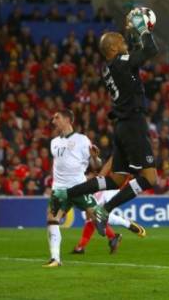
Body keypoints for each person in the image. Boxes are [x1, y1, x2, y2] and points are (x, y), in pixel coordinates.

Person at [53, 10, 159, 235]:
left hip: (121, 126)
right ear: (112, 49)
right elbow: (150, 50)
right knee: (149, 178)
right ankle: (106, 209)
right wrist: (143, 29)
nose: (124, 42)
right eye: (120, 41)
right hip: (133, 124)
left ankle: (69, 193)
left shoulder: (110, 68)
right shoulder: (121, 64)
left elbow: (134, 55)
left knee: (115, 179)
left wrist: (131, 33)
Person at [43, 110, 111, 268]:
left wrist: (94, 157)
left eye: (57, 117)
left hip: (79, 187)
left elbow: (96, 166)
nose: (53, 120)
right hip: (59, 189)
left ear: (67, 120)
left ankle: (118, 226)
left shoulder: (82, 140)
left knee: (97, 216)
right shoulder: (54, 142)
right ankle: (55, 258)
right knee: (52, 219)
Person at [73, 158, 147, 254]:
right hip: (104, 185)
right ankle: (82, 246)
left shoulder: (115, 158)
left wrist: (97, 177)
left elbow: (106, 167)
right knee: (92, 217)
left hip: (106, 187)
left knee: (95, 214)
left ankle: (124, 225)